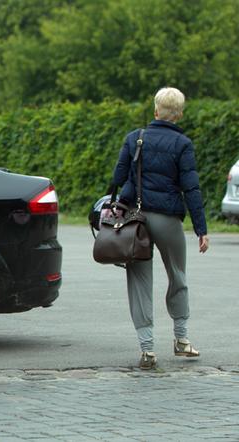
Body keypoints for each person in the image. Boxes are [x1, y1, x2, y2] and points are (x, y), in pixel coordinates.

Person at [112, 87, 210, 370]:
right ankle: (181, 340)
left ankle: (147, 350)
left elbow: (118, 178)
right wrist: (201, 229)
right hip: (168, 219)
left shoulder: (135, 138)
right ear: (178, 115)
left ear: (155, 111)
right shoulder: (183, 144)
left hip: (136, 220)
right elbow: (191, 188)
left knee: (139, 282)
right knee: (177, 276)